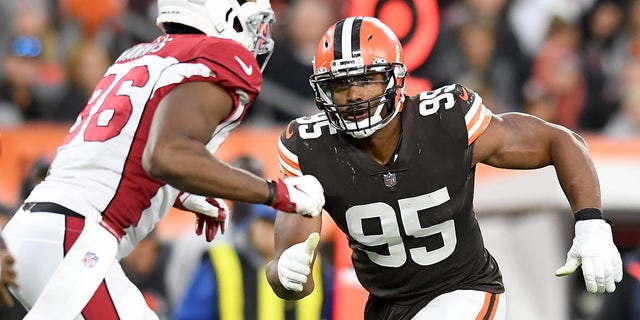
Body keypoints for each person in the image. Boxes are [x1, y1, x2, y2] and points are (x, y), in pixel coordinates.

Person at [265, 16, 623, 320]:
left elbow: (560, 140)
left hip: (465, 290)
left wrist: (591, 222)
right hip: (387, 307)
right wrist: (286, 273)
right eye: (340, 84)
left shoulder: (446, 121)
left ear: (394, 78)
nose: (354, 95)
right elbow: (291, 274)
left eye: (365, 78)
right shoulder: (309, 148)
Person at [0, 1, 325, 319]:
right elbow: (166, 154)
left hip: (35, 229)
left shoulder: (138, 55)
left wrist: (182, 191)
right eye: (251, 24)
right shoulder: (218, 55)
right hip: (74, 237)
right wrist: (276, 193)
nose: (258, 37)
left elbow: (125, 150)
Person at [173, 204, 333, 320]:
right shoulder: (222, 261)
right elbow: (193, 314)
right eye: (264, 222)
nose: (268, 232)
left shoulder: (316, 266)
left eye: (274, 224)